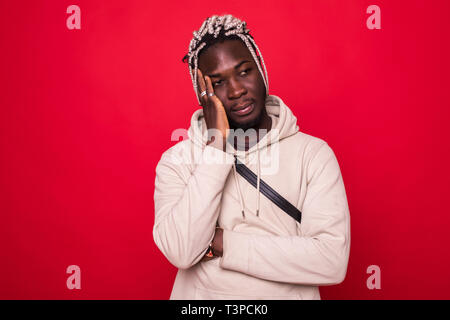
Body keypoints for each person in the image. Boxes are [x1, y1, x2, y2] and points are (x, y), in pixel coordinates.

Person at [153, 14, 351, 300]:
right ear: (203, 95)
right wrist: (215, 148)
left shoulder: (314, 155)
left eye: (244, 71)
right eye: (218, 82)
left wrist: (223, 243)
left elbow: (331, 260)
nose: (236, 91)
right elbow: (182, 251)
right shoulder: (177, 161)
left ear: (260, 68)